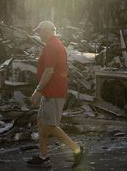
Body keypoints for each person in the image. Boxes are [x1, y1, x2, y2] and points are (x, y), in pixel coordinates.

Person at [27, 20, 84, 168]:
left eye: (39, 32)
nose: (39, 35)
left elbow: (49, 71)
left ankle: (76, 149)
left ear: (46, 31)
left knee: (51, 125)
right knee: (41, 123)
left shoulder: (52, 46)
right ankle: (43, 156)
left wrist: (37, 90)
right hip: (50, 91)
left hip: (53, 92)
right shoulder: (52, 44)